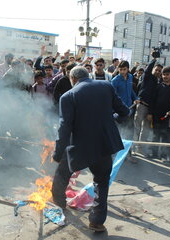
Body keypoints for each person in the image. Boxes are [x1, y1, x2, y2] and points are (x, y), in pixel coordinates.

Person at [52, 66, 129, 232]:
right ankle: (97, 221)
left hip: (79, 145)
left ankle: (59, 205)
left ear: (72, 79)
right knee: (101, 182)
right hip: (103, 144)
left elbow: (64, 128)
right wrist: (112, 119)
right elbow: (125, 111)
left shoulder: (68, 96)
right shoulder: (106, 86)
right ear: (89, 75)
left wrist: (57, 153)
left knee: (61, 173)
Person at [133, 55, 162, 155]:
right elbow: (147, 70)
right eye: (156, 70)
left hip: (149, 109)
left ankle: (139, 148)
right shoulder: (147, 77)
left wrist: (151, 112)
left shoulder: (158, 82)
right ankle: (132, 147)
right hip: (141, 105)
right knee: (136, 127)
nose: (158, 72)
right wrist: (154, 59)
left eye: (159, 71)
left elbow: (154, 99)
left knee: (145, 130)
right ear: (153, 69)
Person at [149, 66, 170, 159]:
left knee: (166, 136)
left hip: (169, 116)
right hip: (157, 115)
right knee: (156, 135)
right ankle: (154, 153)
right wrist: (150, 113)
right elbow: (152, 100)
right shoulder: (158, 86)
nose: (165, 76)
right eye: (164, 74)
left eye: (167, 74)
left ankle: (164, 154)